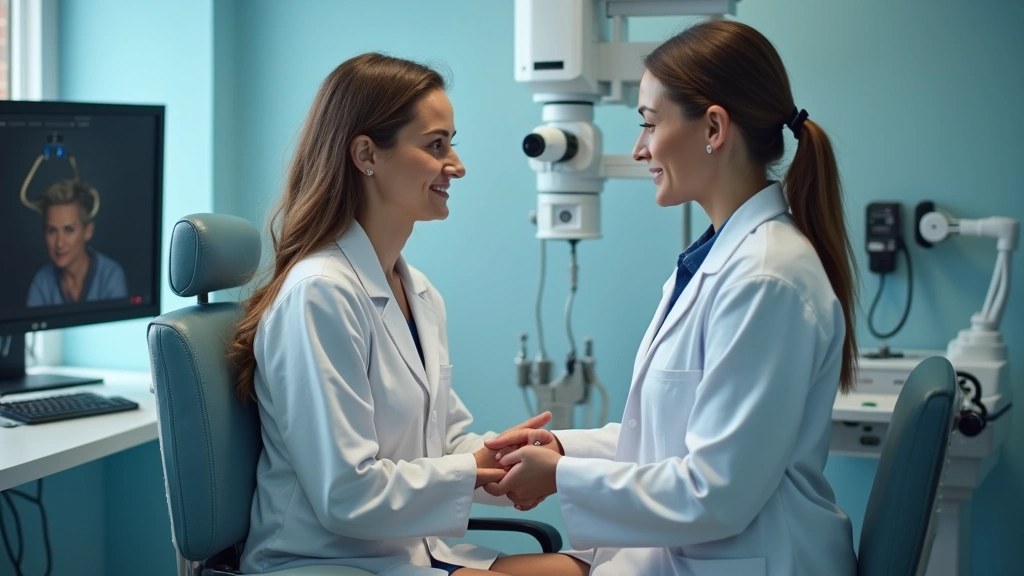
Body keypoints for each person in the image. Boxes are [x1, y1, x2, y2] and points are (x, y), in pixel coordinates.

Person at [484, 20, 860, 576]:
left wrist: (560, 477)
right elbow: (666, 442)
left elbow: (715, 490)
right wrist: (562, 448)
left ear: (713, 127)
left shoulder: (764, 279)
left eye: (649, 124)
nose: (639, 150)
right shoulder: (717, 260)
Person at [230, 53, 587, 576]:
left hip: (411, 554)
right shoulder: (320, 295)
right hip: (324, 561)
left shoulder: (418, 292)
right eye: (435, 145)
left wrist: (513, 456)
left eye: (451, 144)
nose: (457, 165)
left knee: (604, 562)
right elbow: (346, 494)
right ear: (366, 154)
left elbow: (442, 443)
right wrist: (476, 469)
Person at [25, 178, 128, 307]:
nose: (59, 243)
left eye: (69, 230)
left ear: (88, 231)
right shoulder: (42, 283)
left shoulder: (110, 276)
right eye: (51, 231)